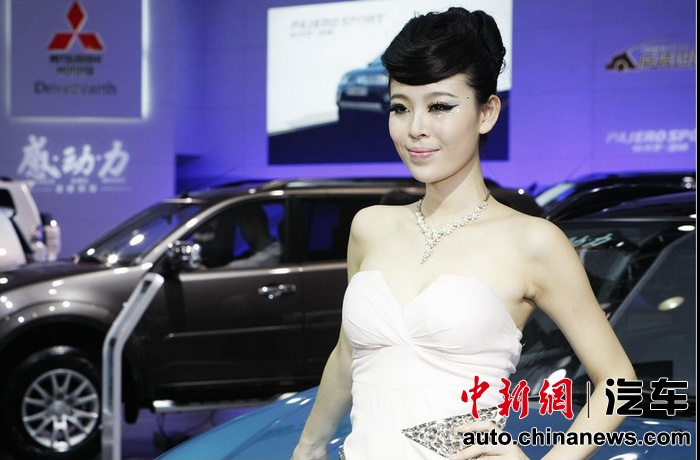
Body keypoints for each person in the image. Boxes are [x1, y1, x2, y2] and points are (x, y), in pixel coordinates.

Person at [291, 7, 635, 460]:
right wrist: (310, 446)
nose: (416, 129)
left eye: (440, 106)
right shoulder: (370, 226)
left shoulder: (532, 242)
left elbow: (619, 384)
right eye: (400, 107)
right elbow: (346, 355)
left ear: (486, 112)